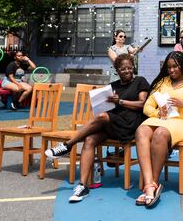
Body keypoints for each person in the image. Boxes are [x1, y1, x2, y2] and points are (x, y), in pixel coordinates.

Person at [45, 53, 149, 203]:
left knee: (102, 117)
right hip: (113, 124)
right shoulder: (113, 86)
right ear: (117, 71)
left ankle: (68, 145)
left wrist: (120, 101)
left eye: (129, 67)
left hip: (130, 125)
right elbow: (105, 108)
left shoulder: (140, 81)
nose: (127, 71)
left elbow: (142, 104)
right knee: (89, 139)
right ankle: (82, 186)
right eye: (123, 69)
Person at [135, 51, 183, 208]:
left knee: (160, 133)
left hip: (182, 123)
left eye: (175, 66)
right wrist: (158, 113)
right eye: (169, 67)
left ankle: (153, 183)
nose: (171, 70)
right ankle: (149, 185)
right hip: (162, 119)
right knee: (141, 130)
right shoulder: (163, 83)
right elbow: (147, 106)